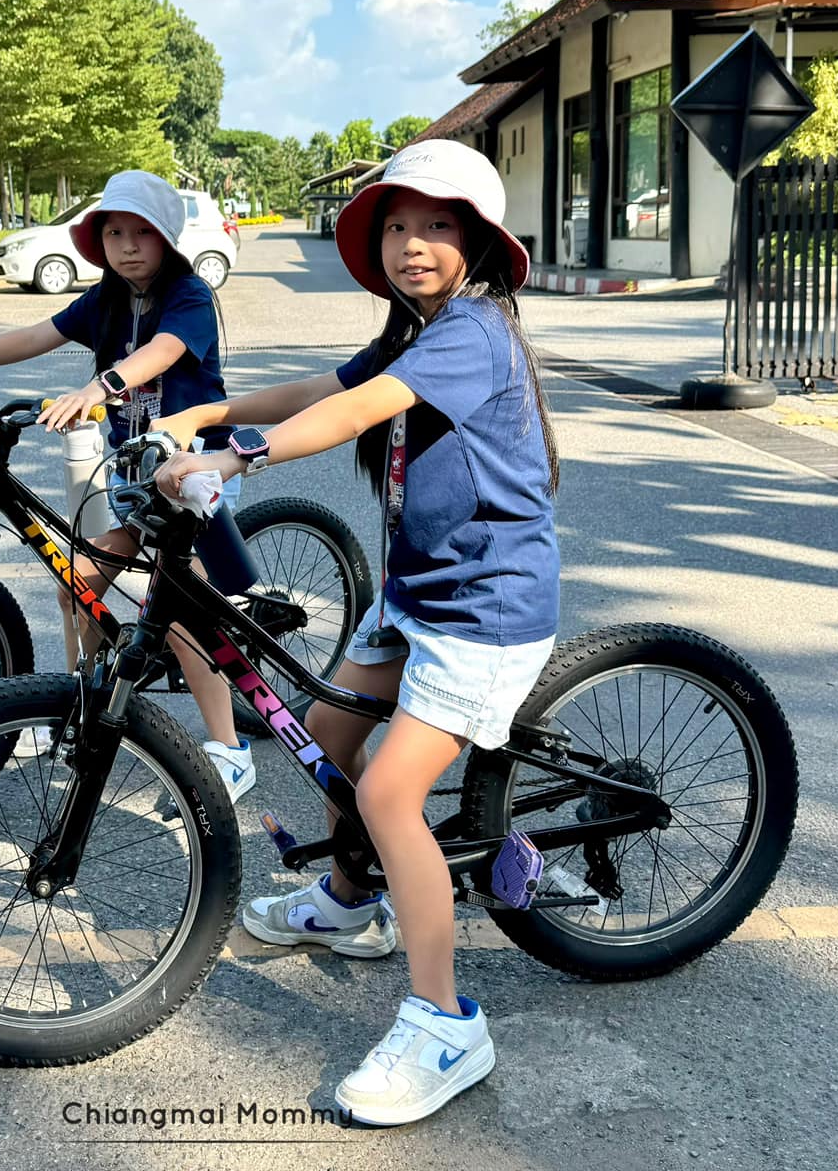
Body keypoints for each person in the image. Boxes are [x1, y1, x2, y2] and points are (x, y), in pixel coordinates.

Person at [153, 139, 560, 1126]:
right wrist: (206, 412)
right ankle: (349, 902)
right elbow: (321, 393)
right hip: (417, 591)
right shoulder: (416, 331)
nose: (411, 243)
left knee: (386, 791)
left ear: (478, 243)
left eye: (436, 225)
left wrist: (237, 457)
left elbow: (359, 414)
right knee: (327, 736)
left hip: (485, 610)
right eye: (396, 225)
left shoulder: (473, 331)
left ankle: (446, 1023)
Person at [0, 169, 256, 801]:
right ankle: (79, 704)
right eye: (114, 233)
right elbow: (36, 336)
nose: (127, 246)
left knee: (179, 614)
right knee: (76, 587)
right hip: (135, 476)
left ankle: (230, 749)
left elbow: (163, 351)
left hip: (194, 472)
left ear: (167, 238)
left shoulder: (190, 296)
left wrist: (99, 387)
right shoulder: (106, 300)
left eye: (142, 232)